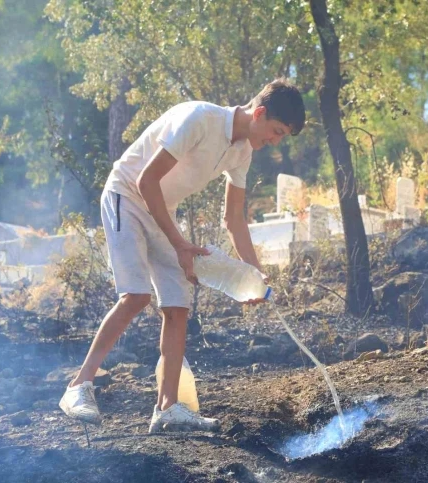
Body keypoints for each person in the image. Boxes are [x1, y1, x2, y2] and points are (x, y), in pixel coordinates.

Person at [59, 79, 305, 433]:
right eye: (276, 131)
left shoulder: (242, 152)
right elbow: (146, 181)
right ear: (260, 113)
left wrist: (255, 274)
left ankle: (167, 407)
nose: (276, 141)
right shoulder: (199, 119)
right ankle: (78, 387)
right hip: (125, 197)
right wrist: (180, 244)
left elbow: (233, 219)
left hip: (161, 210)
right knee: (136, 296)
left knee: (177, 306)